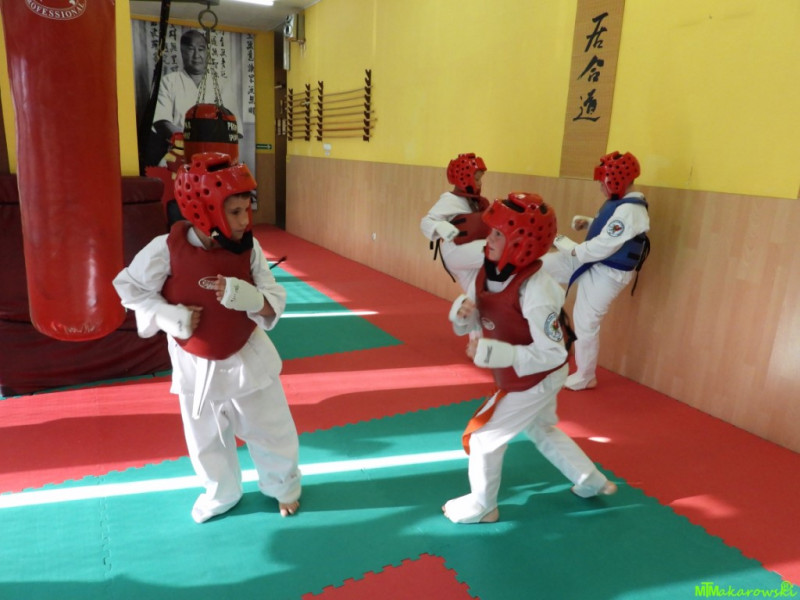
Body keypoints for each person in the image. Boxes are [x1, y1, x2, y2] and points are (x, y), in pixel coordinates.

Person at [113, 151, 301, 524]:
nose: (245, 220)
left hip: (247, 357)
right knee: (206, 439)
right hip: (194, 364)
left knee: (272, 429)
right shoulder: (165, 249)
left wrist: (249, 298)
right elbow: (129, 288)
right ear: (204, 210)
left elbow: (273, 300)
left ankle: (284, 486)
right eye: (235, 212)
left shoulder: (249, 248)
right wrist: (168, 315)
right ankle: (221, 492)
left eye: (247, 209)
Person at [442, 192, 617, 524]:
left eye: (497, 234)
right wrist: (463, 316)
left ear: (520, 244)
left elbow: (552, 352)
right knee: (541, 428)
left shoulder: (537, 290)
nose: (488, 238)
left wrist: (495, 353)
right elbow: (483, 317)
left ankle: (483, 506)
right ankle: (591, 480)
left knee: (484, 439)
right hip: (523, 372)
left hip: (539, 375)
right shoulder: (488, 270)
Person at [542, 151, 650, 391]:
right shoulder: (622, 204)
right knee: (541, 265)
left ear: (616, 180)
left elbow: (601, 247)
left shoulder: (631, 210)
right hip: (593, 262)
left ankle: (586, 376)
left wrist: (566, 245)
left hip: (607, 273)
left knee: (585, 322)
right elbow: (614, 231)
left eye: (603, 182)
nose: (600, 187)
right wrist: (590, 223)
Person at [151, 29, 240, 164]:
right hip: (180, 152)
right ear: (182, 52)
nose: (197, 55)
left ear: (207, 52)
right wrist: (193, 141)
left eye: (201, 49)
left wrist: (207, 144)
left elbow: (235, 129)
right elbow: (161, 122)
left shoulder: (222, 85)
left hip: (217, 155)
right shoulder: (169, 81)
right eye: (191, 49)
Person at [420, 153, 491, 293]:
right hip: (455, 249)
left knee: (478, 291)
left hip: (467, 250)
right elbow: (426, 222)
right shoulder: (451, 199)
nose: (480, 183)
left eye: (481, 179)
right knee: (496, 253)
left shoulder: (478, 202)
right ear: (464, 179)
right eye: (477, 179)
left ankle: (473, 305)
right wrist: (441, 226)